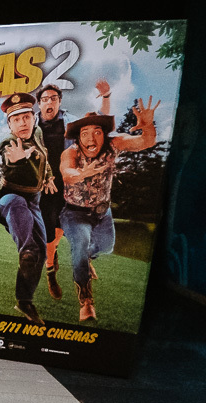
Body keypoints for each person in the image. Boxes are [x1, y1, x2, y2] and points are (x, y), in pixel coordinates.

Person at [59, 98, 159, 322]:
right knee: (80, 246)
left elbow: (146, 141)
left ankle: (88, 257)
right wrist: (83, 173)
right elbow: (67, 173)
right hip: (74, 213)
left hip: (102, 213)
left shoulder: (114, 144)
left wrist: (148, 126)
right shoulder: (71, 153)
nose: (91, 138)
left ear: (104, 134)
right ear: (78, 137)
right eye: (85, 133)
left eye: (97, 132)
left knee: (106, 247)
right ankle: (86, 301)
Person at [0, 92, 57, 325]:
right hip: (10, 196)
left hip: (33, 200)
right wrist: (19, 159)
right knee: (28, 246)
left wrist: (48, 176)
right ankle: (25, 250)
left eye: (26, 117)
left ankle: (24, 301)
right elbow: (10, 160)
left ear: (34, 119)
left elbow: (44, 157)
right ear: (9, 125)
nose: (22, 123)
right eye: (16, 120)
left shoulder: (37, 133)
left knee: (40, 252)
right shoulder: (8, 143)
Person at [36, 80, 111, 298]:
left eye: (53, 99)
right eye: (45, 99)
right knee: (49, 237)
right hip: (44, 190)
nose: (49, 103)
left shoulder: (71, 122)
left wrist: (106, 97)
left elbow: (100, 123)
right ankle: (51, 270)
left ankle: (83, 262)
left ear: (59, 101)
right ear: (39, 104)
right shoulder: (31, 126)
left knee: (68, 230)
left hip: (72, 186)